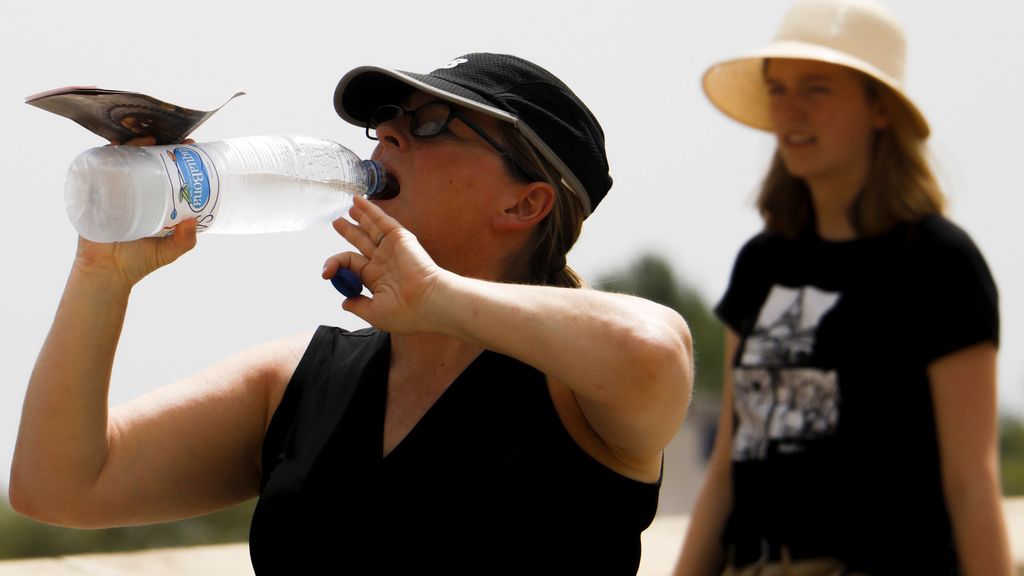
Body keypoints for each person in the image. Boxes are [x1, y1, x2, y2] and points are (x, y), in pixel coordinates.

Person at [9, 53, 693, 574]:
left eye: (430, 122)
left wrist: (440, 301)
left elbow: (657, 350)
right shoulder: (300, 380)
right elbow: (59, 487)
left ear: (524, 204)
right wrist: (101, 273)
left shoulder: (578, 387)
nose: (390, 131)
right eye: (388, 117)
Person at [672, 1, 1013, 575]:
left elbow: (971, 483)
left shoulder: (940, 265)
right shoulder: (760, 264)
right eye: (777, 89)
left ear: (881, 109)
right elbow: (731, 464)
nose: (789, 110)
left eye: (817, 89)